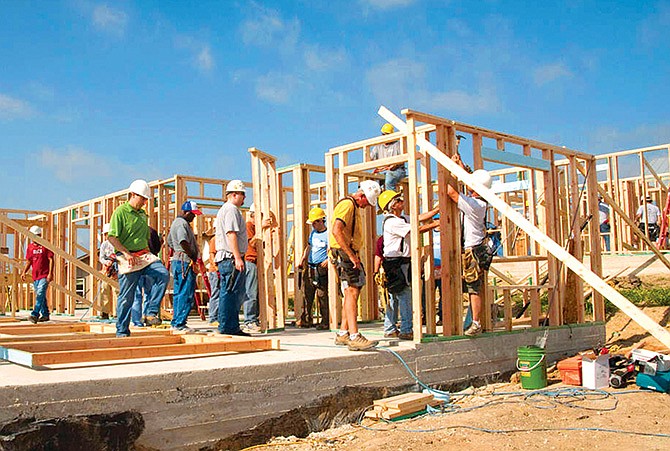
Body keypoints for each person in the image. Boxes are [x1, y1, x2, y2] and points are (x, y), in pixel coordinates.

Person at [107, 179, 170, 337]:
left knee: (163, 274)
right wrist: (126, 253)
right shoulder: (120, 212)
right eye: (142, 198)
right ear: (133, 195)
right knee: (127, 297)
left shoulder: (143, 214)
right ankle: (122, 331)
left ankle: (151, 312)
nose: (144, 202)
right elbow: (112, 237)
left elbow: (143, 237)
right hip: (127, 255)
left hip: (143, 254)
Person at [378, 190, 439, 340]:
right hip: (397, 264)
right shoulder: (393, 222)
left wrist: (437, 210)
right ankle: (406, 329)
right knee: (404, 295)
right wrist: (437, 223)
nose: (402, 201)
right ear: (392, 205)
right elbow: (416, 229)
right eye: (398, 199)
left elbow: (418, 219)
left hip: (396, 263)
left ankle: (390, 327)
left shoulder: (401, 218)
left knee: (394, 296)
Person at [330, 180, 381, 351]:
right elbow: (336, 230)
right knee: (351, 291)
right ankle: (354, 336)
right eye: (367, 202)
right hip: (344, 253)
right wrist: (351, 256)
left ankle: (344, 332)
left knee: (352, 291)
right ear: (361, 196)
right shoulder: (347, 205)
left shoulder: (352, 205)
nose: (367, 206)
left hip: (347, 253)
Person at [447, 155, 492, 337]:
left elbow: (451, 192)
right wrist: (460, 166)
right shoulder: (481, 201)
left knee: (473, 288)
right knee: (470, 287)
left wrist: (450, 169)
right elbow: (469, 184)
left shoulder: (475, 204)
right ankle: (470, 321)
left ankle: (476, 323)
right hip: (475, 248)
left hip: (472, 251)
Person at [215, 180, 249, 336]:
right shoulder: (231, 210)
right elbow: (231, 234)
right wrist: (238, 257)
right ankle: (229, 327)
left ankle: (227, 325)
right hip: (230, 258)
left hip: (227, 258)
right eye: (243, 195)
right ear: (234, 194)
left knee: (228, 292)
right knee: (231, 293)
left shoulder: (225, 210)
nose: (244, 199)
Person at [167, 200, 202, 332]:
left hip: (178, 260)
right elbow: (182, 241)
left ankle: (176, 321)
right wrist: (192, 254)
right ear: (186, 212)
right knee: (185, 292)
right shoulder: (182, 224)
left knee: (178, 292)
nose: (194, 217)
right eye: (192, 214)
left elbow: (170, 241)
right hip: (184, 261)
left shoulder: (176, 223)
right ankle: (180, 323)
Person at [297, 207, 330, 330]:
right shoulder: (313, 234)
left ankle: (325, 321)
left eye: (314, 223)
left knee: (322, 295)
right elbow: (309, 247)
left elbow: (331, 250)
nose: (313, 226)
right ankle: (306, 319)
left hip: (321, 269)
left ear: (320, 221)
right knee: (307, 294)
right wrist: (302, 259)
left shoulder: (328, 235)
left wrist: (328, 260)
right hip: (310, 267)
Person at [21, 225, 54, 323]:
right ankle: (45, 314)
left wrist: (50, 273)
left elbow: (51, 259)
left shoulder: (45, 245)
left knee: (40, 293)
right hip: (35, 275)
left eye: (38, 235)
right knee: (41, 295)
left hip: (44, 274)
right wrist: (24, 272)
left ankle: (35, 314)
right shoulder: (30, 247)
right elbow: (29, 261)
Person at [131, 227, 162, 327]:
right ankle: (148, 317)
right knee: (149, 293)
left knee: (137, 295)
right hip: (150, 264)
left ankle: (137, 321)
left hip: (136, 264)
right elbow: (157, 247)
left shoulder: (133, 231)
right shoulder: (151, 231)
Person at [370, 123, 405, 191]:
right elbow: (370, 159)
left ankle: (391, 200)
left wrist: (393, 165)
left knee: (389, 181)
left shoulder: (397, 145)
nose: (385, 136)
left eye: (387, 134)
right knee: (372, 185)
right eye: (384, 134)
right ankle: (377, 201)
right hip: (382, 171)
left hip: (397, 170)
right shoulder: (378, 146)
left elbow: (403, 159)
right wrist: (378, 167)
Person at [97, 223, 116, 320]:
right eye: (106, 234)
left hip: (116, 271)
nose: (107, 236)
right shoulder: (104, 244)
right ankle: (104, 312)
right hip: (106, 270)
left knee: (117, 291)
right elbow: (101, 258)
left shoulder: (117, 243)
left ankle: (117, 313)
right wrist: (106, 262)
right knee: (104, 290)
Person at [203, 226, 220, 326]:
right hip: (215, 271)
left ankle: (218, 316)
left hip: (218, 271)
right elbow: (212, 255)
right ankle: (213, 318)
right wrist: (216, 268)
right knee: (216, 294)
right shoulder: (215, 239)